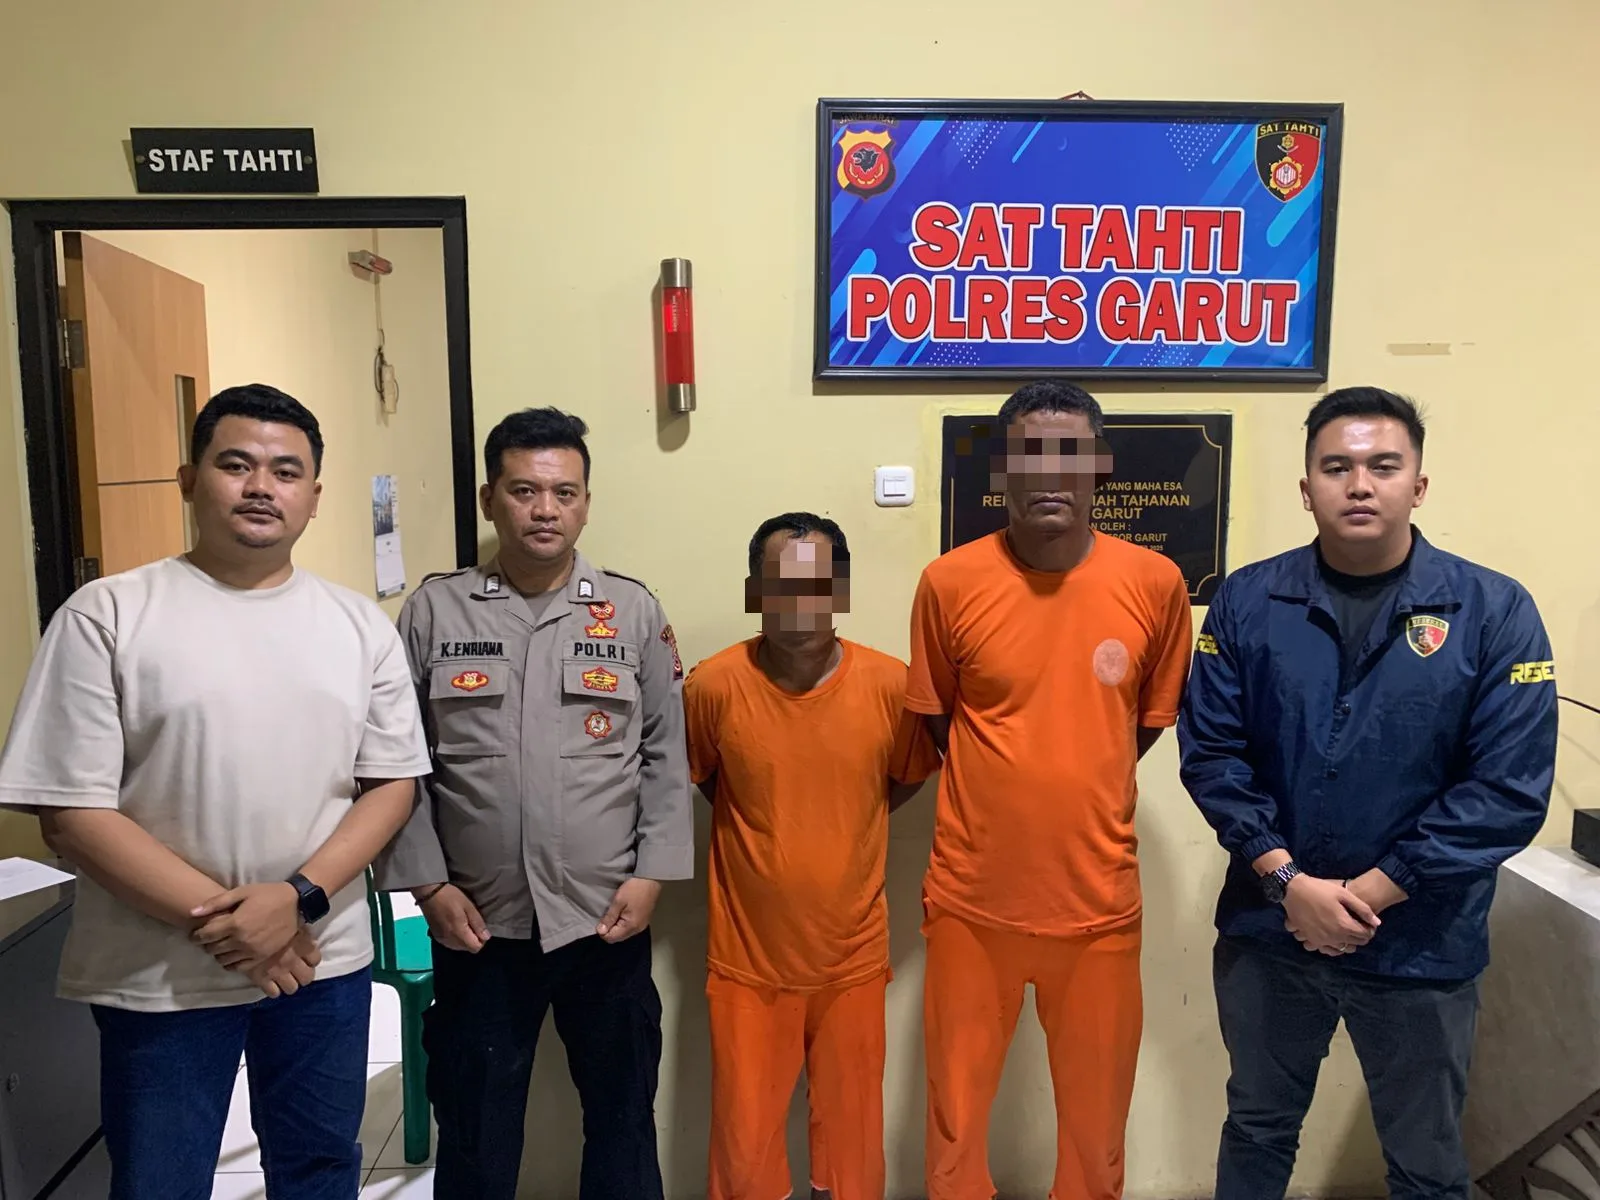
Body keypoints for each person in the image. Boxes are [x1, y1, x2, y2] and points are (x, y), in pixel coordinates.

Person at [0, 384, 431, 1200]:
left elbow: (390, 788)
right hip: (158, 974)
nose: (261, 486)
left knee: (318, 1170)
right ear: (189, 480)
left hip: (320, 964)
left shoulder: (359, 626)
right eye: (236, 465)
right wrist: (236, 925)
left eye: (285, 471)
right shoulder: (108, 614)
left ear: (313, 496)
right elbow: (71, 813)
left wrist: (295, 901)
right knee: (160, 1181)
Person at [1177, 387, 1558, 1200]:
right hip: (1271, 934)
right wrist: (1288, 882)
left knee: (1426, 1163)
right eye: (1336, 467)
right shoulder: (1248, 600)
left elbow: (1506, 790)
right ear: (1305, 487)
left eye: (1383, 466)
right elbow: (1211, 755)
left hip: (1422, 944)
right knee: (1258, 1130)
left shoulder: (1493, 611)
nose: (1359, 484)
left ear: (1418, 485)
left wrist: (1371, 894)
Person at [373, 406, 691, 1200]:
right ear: (490, 499)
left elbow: (665, 753)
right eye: (523, 490)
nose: (544, 509)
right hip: (479, 926)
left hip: (606, 920)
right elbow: (398, 763)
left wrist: (652, 874)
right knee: (476, 1131)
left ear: (585, 504)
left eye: (563, 493)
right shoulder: (435, 611)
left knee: (623, 1121)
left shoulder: (632, 611)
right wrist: (428, 886)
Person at [906, 380, 1193, 1200]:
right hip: (970, 905)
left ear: (1101, 466)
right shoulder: (948, 583)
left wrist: (1075, 769)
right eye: (1031, 453)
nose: (1051, 472)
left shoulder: (1156, 583)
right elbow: (941, 724)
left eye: (1071, 453)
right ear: (1004, 468)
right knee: (955, 1135)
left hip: (1098, 909)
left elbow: (1141, 726)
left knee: (1096, 1143)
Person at [684, 512, 940, 1200]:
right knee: (745, 1152)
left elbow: (904, 779)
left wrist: (843, 824)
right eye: (780, 581)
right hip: (746, 963)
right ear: (754, 590)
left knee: (852, 1153)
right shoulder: (712, 687)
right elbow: (709, 780)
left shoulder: (891, 687)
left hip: (851, 961)